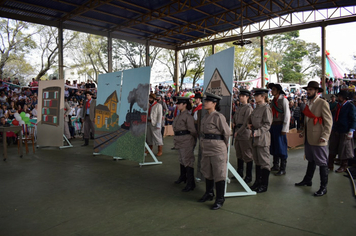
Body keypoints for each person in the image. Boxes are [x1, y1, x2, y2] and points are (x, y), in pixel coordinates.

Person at [295, 81, 332, 197]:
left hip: (319, 138)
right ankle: (307, 180)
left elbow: (328, 122)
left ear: (317, 91)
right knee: (311, 160)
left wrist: (325, 136)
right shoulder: (309, 103)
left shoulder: (322, 103)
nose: (308, 92)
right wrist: (303, 132)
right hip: (309, 137)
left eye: (311, 90)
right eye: (308, 90)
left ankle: (323, 187)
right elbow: (307, 121)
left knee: (322, 162)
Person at [198, 93, 231, 210]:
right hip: (206, 147)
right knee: (207, 171)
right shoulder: (205, 116)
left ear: (214, 103)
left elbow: (227, 133)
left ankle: (220, 199)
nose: (205, 103)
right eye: (205, 101)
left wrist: (224, 145)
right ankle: (209, 193)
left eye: (208, 101)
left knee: (219, 172)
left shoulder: (218, 116)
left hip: (217, 148)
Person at [247, 88, 273, 193]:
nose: (255, 97)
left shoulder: (266, 108)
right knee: (257, 161)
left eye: (257, 95)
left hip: (262, 138)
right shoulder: (256, 108)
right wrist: (249, 124)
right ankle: (257, 182)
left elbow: (267, 124)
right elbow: (251, 118)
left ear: (263, 96)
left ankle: (264, 185)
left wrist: (258, 132)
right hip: (254, 138)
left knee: (264, 162)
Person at [172, 97, 197, 192]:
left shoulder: (187, 116)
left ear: (185, 104)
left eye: (179, 103)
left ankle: (191, 183)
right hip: (179, 139)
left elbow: (192, 130)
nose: (177, 105)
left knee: (187, 160)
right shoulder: (180, 115)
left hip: (186, 139)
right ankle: (183, 177)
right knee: (182, 159)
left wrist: (192, 139)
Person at [328, 90, 356, 172]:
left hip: (345, 130)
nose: (338, 97)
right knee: (332, 147)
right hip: (336, 129)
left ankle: (344, 165)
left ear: (344, 98)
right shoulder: (338, 105)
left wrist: (351, 131)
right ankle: (330, 164)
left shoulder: (350, 106)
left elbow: (354, 119)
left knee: (344, 149)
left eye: (340, 96)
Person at [268, 83, 290, 176]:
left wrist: (285, 128)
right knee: (274, 145)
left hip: (280, 126)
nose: (271, 91)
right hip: (273, 126)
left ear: (278, 91)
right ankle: (275, 165)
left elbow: (287, 115)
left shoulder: (284, 100)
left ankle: (283, 168)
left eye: (273, 89)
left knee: (281, 147)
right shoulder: (273, 101)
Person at [232, 89, 253, 183]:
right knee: (239, 153)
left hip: (244, 133)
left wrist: (238, 131)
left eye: (243, 96)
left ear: (247, 97)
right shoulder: (239, 107)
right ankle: (239, 173)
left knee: (247, 155)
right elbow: (235, 118)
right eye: (240, 96)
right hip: (238, 131)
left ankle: (248, 176)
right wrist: (233, 123)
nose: (240, 97)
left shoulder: (248, 108)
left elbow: (246, 123)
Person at [192, 92, 204, 182]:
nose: (195, 100)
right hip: (195, 127)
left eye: (196, 98)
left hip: (199, 128)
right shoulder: (196, 107)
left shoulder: (201, 108)